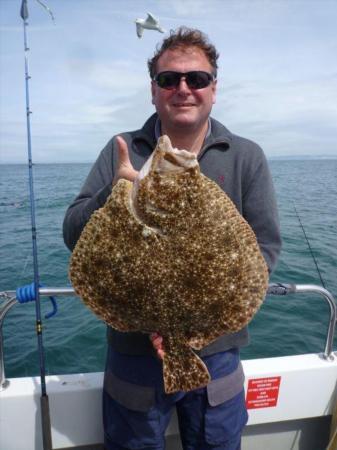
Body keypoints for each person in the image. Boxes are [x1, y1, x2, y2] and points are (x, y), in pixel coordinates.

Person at [63, 27, 281, 450]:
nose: (183, 88)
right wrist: (115, 192)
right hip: (133, 352)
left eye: (196, 79)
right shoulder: (121, 150)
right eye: (169, 79)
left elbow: (265, 247)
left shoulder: (246, 156)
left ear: (213, 89)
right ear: (154, 90)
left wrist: (203, 324)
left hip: (215, 352)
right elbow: (74, 233)